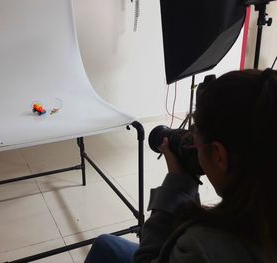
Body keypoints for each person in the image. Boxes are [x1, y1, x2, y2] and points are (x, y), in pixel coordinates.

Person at [84, 69, 277, 263]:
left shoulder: (200, 248)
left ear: (219, 155)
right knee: (106, 245)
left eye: (195, 138)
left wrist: (178, 183)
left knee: (104, 247)